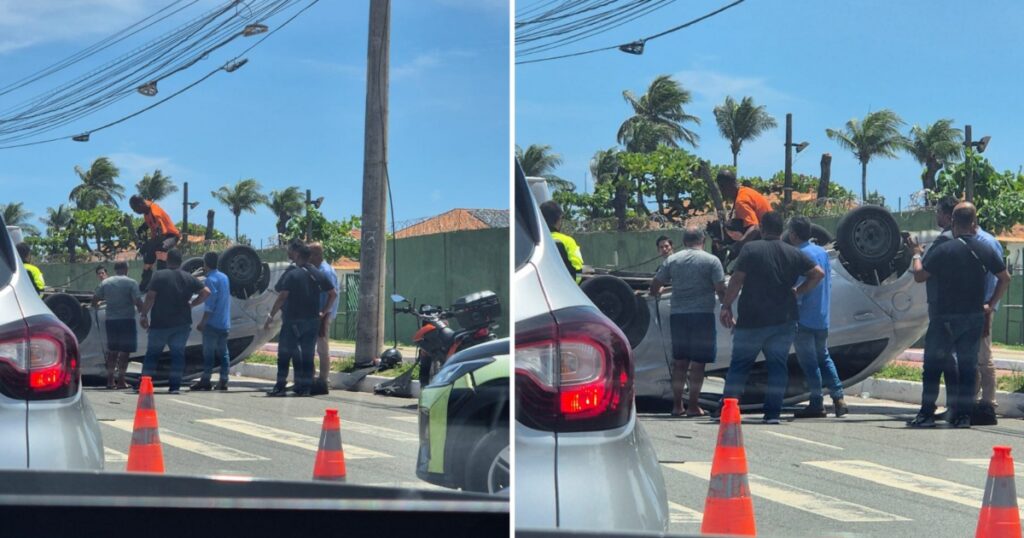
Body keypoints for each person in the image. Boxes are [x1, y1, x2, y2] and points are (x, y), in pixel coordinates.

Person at [906, 203, 1010, 428]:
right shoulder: (985, 249)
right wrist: (990, 305)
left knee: (932, 366)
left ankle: (926, 413)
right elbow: (1005, 278)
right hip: (973, 317)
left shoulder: (944, 249)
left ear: (953, 222)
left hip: (944, 317)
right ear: (974, 223)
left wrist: (916, 254)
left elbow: (920, 276)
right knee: (968, 366)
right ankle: (963, 415)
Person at [718, 211, 824, 424]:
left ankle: (728, 410)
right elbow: (818, 273)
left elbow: (737, 280)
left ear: (762, 228)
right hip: (784, 319)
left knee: (740, 365)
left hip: (752, 320)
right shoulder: (792, 252)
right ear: (781, 229)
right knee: (778, 366)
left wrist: (726, 305)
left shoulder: (751, 249)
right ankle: (773, 413)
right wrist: (798, 291)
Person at [650, 226, 725, 417]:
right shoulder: (712, 260)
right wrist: (727, 307)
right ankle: (693, 406)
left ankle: (677, 406)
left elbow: (656, 284)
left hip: (679, 316)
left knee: (680, 362)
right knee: (698, 364)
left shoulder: (673, 260)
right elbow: (720, 289)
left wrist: (656, 294)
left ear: (684, 242)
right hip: (703, 316)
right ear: (703, 240)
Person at [786, 216, 848, 419]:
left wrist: (795, 293)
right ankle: (838, 397)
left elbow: (801, 283)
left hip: (803, 316)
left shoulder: (798, 255)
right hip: (821, 315)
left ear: (794, 234)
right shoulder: (822, 252)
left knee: (809, 362)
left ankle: (816, 401)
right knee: (824, 357)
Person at [264, 243, 337, 397]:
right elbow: (333, 294)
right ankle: (305, 388)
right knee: (308, 355)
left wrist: (271, 315)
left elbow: (282, 296)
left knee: (284, 353)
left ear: (298, 256)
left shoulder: (292, 274)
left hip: (293, 321)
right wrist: (323, 312)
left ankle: (280, 385)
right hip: (312, 321)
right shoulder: (318, 273)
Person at [138, 249, 210, 394]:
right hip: (181, 324)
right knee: (178, 355)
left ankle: (145, 386)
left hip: (160, 324)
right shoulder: (188, 277)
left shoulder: (159, 275)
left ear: (167, 260)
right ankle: (175, 387)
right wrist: (193, 304)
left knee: (152, 355)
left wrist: (144, 314)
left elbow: (151, 296)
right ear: (180, 261)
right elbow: (206, 292)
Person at [91, 261, 143, 389]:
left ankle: (110, 381)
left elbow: (95, 300)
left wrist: (96, 307)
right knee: (125, 352)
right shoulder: (131, 283)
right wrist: (144, 314)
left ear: (114, 270)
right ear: (126, 269)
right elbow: (138, 301)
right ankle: (121, 380)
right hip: (127, 320)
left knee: (112, 351)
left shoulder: (106, 283)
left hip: (111, 321)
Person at [190, 252, 231, 391]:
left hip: (212, 323)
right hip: (224, 322)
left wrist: (203, 322)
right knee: (223, 353)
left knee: (208, 354)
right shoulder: (224, 277)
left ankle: (206, 380)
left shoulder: (210, 280)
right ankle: (224, 380)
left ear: (205, 264)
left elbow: (210, 305)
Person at [130, 195, 181, 292]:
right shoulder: (146, 212)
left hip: (171, 235)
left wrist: (148, 245)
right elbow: (149, 223)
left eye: (134, 208)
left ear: (141, 204)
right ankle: (145, 284)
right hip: (159, 237)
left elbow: (160, 234)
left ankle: (162, 280)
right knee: (148, 257)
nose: (134, 211)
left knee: (161, 249)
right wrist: (142, 230)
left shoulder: (155, 211)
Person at [310, 242, 340, 395]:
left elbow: (332, 295)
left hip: (324, 315)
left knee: (322, 348)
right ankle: (315, 378)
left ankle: (323, 379)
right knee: (317, 347)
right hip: (319, 314)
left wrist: (324, 313)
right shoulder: (318, 270)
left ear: (316, 255)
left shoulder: (325, 271)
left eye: (310, 254)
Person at [716, 169, 771, 248]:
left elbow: (755, 228)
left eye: (721, 187)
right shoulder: (744, 191)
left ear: (725, 186)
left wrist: (737, 246)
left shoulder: (741, 201)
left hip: (766, 238)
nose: (721, 191)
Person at [539, 200, 583, 283]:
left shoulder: (535, 241)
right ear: (559, 219)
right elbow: (577, 273)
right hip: (564, 289)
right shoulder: (568, 241)